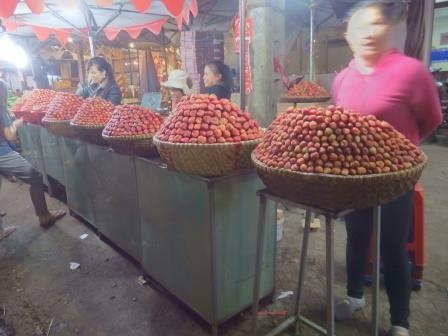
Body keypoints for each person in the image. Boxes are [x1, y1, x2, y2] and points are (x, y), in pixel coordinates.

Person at [332, 2, 443, 336]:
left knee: (392, 244)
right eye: (359, 27)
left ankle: (399, 321)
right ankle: (354, 297)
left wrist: (402, 152)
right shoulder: (342, 79)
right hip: (355, 175)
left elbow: (432, 119)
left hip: (396, 176)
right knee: (355, 237)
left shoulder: (410, 71)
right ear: (347, 36)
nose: (368, 33)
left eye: (375, 24)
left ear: (388, 29)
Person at [0, 80, 66, 228]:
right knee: (35, 177)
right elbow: (9, 135)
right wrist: (17, 123)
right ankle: (44, 215)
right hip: (2, 153)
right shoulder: (0, 109)